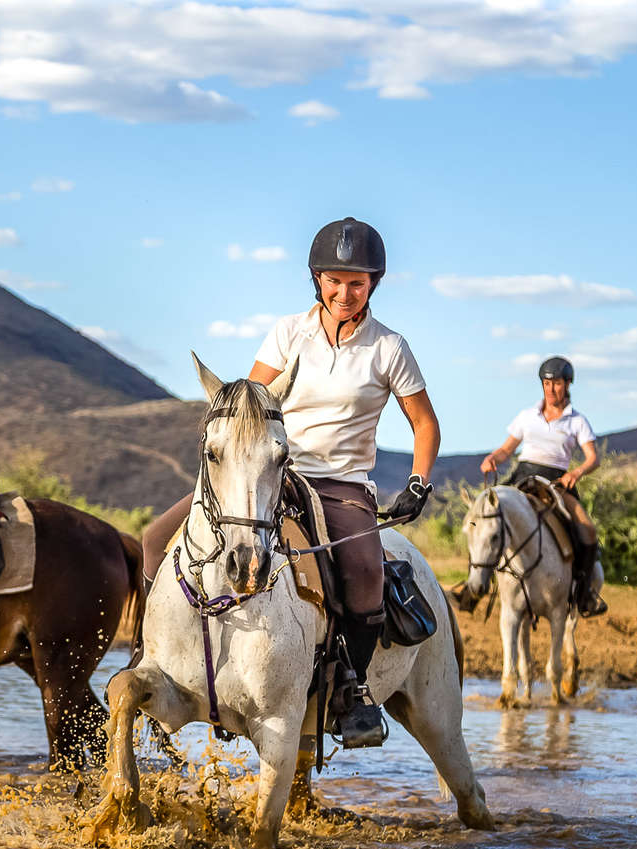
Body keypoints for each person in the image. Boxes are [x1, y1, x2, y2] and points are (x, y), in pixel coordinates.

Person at [139, 217, 439, 749]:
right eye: (334, 280)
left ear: (374, 284)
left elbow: (424, 423)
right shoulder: (287, 332)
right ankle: (154, 655)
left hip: (340, 485)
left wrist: (418, 481)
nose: (345, 292)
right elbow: (251, 402)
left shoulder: (389, 348)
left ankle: (354, 688)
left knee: (366, 572)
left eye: (358, 282)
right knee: (154, 538)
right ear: (316, 280)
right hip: (272, 472)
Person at [477, 357, 607, 617]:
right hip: (523, 475)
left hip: (557, 481)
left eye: (556, 383)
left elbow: (593, 458)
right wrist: (493, 458)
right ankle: (475, 586)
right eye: (546, 383)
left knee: (588, 530)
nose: (550, 389)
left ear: (568, 384)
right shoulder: (527, 416)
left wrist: (577, 473)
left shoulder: (577, 421)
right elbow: (506, 449)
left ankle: (583, 594)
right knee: (485, 516)